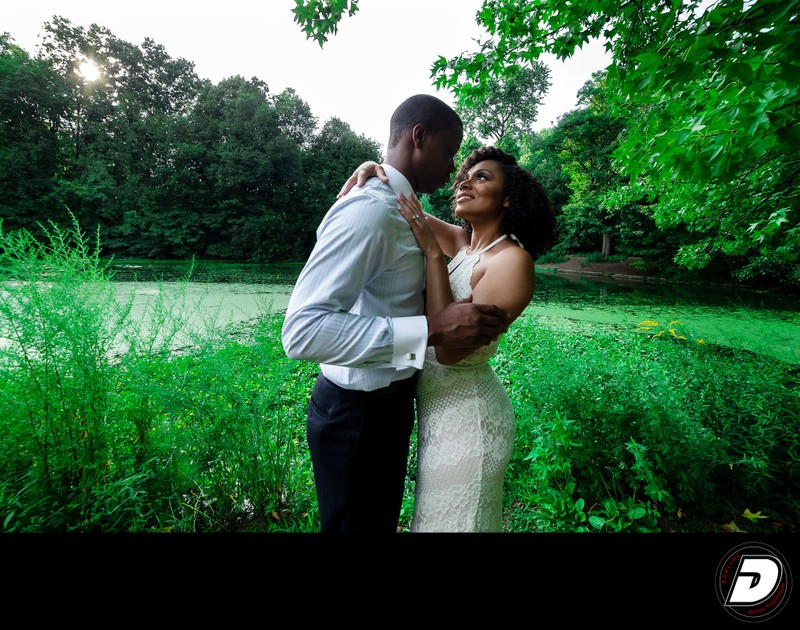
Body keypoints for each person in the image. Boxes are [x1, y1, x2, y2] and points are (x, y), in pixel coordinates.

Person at [281, 95, 511, 533]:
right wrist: (428, 330)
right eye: (450, 150)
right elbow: (301, 332)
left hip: (390, 408)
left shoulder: (404, 209)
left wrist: (379, 167)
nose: (454, 168)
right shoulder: (372, 210)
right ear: (419, 136)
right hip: (357, 416)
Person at [340, 146, 557, 531]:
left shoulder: (511, 261)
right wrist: (375, 169)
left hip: (469, 417)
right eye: (463, 177)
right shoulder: (464, 244)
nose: (464, 183)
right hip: (435, 415)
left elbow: (449, 349)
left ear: (508, 198)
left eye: (481, 177)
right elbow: (403, 205)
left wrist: (433, 257)